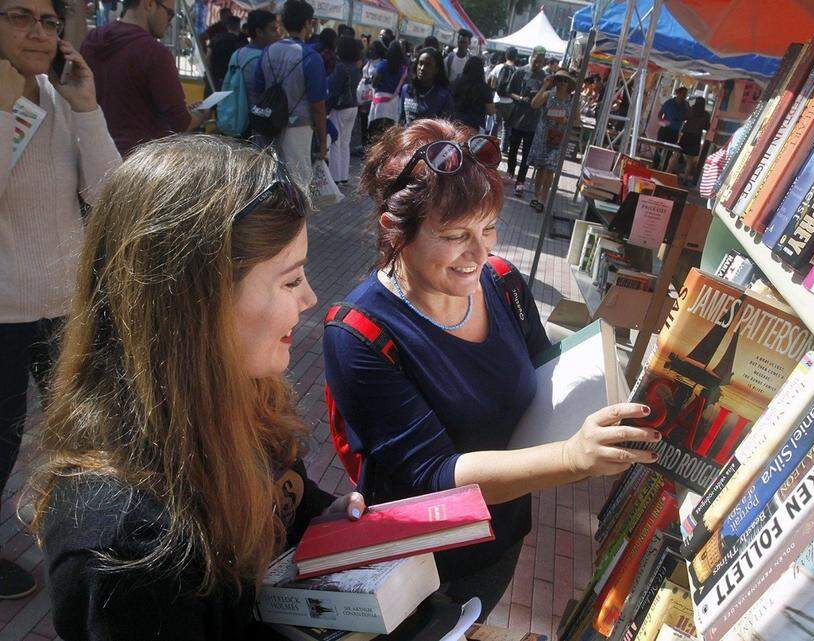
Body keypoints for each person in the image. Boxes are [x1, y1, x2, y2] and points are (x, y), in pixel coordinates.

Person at [26, 136, 366, 636]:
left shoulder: (243, 393)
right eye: (290, 281)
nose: (312, 298)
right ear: (197, 305)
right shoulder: (128, 542)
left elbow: (278, 493)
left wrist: (322, 514)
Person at [324, 119, 657, 615]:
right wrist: (571, 457)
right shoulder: (360, 333)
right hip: (422, 567)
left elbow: (545, 375)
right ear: (395, 230)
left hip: (502, 534)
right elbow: (432, 476)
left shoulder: (502, 283)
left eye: (488, 227)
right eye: (456, 234)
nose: (478, 253)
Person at [0, 0, 120, 601]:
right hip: (2, 310)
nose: (39, 33)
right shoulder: (21, 102)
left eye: (48, 21)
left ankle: (88, 539)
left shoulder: (58, 95)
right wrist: (10, 107)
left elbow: (108, 194)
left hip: (63, 306)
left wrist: (86, 107)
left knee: (84, 434)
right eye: (20, 16)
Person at [81, 0, 207, 156]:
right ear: (148, 4)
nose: (171, 21)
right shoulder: (154, 53)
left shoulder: (92, 39)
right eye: (170, 13)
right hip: (138, 162)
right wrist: (201, 115)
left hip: (95, 153)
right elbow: (181, 123)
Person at [254, 0, 328, 188]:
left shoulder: (268, 51)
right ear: (306, 23)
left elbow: (258, 89)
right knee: (297, 185)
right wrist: (322, 142)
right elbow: (318, 106)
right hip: (298, 128)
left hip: (268, 125)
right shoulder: (311, 57)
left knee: (269, 182)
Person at [527, 69, 576, 212]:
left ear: (569, 84)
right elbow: (534, 104)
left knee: (549, 169)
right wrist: (544, 86)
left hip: (558, 138)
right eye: (559, 79)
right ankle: (536, 196)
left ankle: (543, 199)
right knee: (541, 168)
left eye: (565, 80)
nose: (561, 83)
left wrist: (565, 120)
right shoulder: (548, 95)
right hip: (543, 136)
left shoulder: (572, 100)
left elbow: (577, 121)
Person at [505, 47, 546, 198]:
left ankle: (520, 182)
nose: (537, 65)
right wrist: (521, 98)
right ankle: (510, 172)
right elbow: (509, 91)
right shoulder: (520, 71)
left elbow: (546, 99)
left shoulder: (545, 77)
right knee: (513, 149)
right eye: (536, 61)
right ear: (531, 57)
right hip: (517, 119)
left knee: (527, 155)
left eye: (540, 62)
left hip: (533, 122)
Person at [328, 36, 362, 184]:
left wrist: (328, 108)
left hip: (340, 108)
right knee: (345, 142)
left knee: (336, 142)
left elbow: (334, 91)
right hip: (353, 106)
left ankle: (335, 177)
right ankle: (343, 176)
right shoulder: (356, 67)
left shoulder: (340, 67)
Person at [399, 46, 452, 125]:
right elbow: (402, 119)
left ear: (436, 69)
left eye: (428, 65)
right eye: (420, 63)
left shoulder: (443, 96)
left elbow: (447, 128)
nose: (422, 68)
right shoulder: (406, 89)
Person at [368, 38, 406, 136]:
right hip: (394, 102)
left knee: (376, 129)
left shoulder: (382, 65)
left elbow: (375, 83)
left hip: (380, 101)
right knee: (389, 131)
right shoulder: (402, 69)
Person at [671, 96, 709, 184]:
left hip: (686, 135)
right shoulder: (706, 114)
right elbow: (707, 127)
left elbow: (683, 117)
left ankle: (667, 172)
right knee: (690, 160)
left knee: (676, 154)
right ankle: (684, 179)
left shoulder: (691, 110)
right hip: (696, 137)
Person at [450, 56, 493, 133]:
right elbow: (490, 111)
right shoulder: (484, 88)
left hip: (455, 124)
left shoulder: (456, 82)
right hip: (475, 127)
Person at [357, 38, 385, 149]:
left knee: (370, 121)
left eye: (374, 50)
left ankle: (368, 145)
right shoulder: (368, 61)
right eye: (370, 49)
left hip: (373, 96)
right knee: (363, 121)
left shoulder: (382, 63)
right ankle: (364, 144)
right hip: (363, 94)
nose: (371, 52)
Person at [486, 47, 516, 151]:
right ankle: (503, 148)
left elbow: (490, 81)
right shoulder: (516, 70)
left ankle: (490, 145)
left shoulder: (498, 67)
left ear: (506, 56)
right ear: (515, 57)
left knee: (495, 123)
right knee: (506, 126)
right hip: (510, 102)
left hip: (497, 100)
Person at [207, 13, 243, 94]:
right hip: (231, 79)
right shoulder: (241, 42)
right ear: (239, 26)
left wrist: (209, 71)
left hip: (215, 77)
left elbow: (208, 55)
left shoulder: (216, 38)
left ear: (227, 26)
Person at [654, 85, 687, 168]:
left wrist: (682, 118)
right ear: (678, 93)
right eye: (683, 94)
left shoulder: (685, 105)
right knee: (659, 148)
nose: (684, 96)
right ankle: (655, 165)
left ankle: (664, 167)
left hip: (675, 131)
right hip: (665, 129)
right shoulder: (669, 102)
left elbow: (687, 116)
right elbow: (660, 114)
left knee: (669, 151)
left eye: (685, 94)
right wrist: (662, 122)